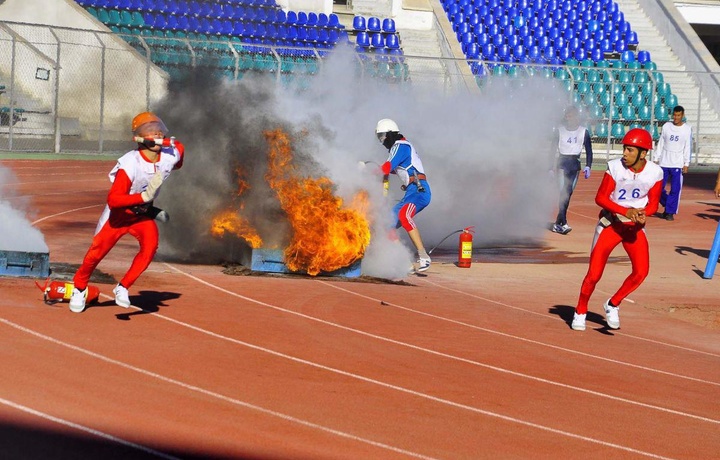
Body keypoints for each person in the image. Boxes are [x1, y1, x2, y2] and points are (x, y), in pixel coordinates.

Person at [69, 112, 185, 313]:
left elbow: (179, 152)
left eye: (159, 129)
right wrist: (143, 197)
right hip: (118, 216)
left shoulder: (168, 154)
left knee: (150, 247)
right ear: (140, 139)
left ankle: (122, 287)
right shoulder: (130, 163)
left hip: (140, 215)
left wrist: (173, 148)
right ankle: (79, 288)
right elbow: (114, 201)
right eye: (150, 131)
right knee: (96, 254)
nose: (157, 133)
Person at [571, 128, 663, 331]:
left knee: (641, 272)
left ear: (643, 153)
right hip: (611, 225)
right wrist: (626, 211)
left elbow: (654, 204)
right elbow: (601, 198)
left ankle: (613, 304)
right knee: (594, 274)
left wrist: (643, 213)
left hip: (634, 229)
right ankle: (580, 311)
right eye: (624, 149)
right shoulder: (615, 167)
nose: (625, 154)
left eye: (630, 150)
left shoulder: (655, 172)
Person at [375, 118, 432, 272]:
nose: (382, 141)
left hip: (419, 191)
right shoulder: (400, 148)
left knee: (404, 215)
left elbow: (387, 168)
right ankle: (405, 262)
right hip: (410, 192)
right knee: (387, 224)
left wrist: (370, 170)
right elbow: (393, 169)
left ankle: (423, 256)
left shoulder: (400, 146)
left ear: (390, 134)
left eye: (383, 136)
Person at [550, 106, 593, 235]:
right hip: (562, 163)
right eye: (567, 116)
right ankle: (563, 222)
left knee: (568, 193)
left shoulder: (583, 132)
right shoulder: (559, 131)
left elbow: (589, 151)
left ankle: (559, 222)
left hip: (575, 164)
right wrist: (549, 168)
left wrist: (588, 166)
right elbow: (552, 151)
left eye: (572, 116)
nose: (569, 118)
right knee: (564, 192)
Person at [653, 105, 692, 221]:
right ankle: (667, 204)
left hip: (677, 164)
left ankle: (669, 212)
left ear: (682, 116)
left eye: (678, 115)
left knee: (675, 189)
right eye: (674, 115)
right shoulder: (666, 126)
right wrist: (656, 158)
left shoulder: (687, 129)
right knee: (658, 188)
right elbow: (661, 143)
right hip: (664, 162)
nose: (676, 117)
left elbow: (687, 146)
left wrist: (686, 163)